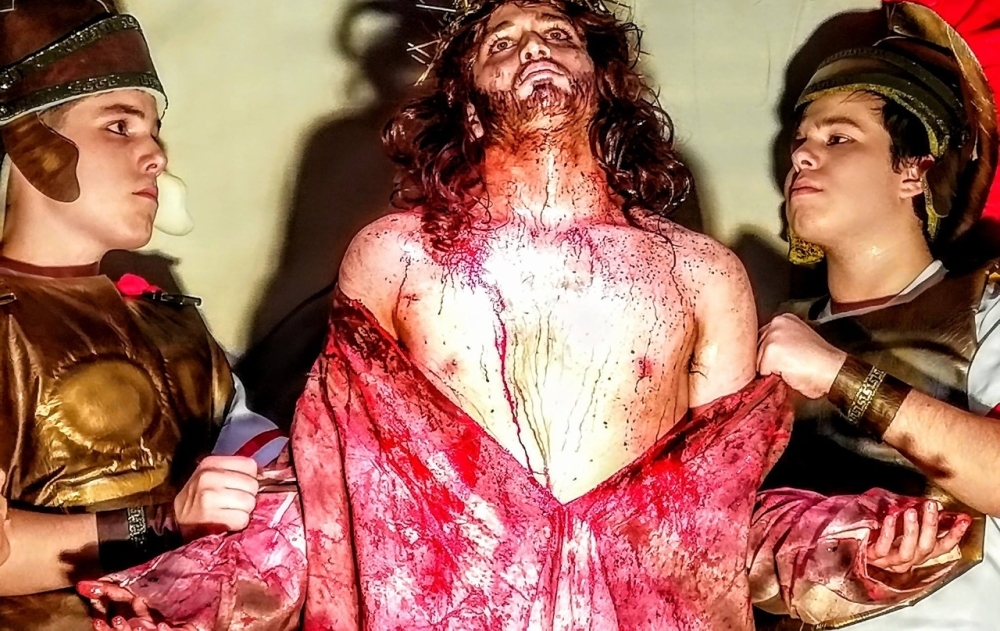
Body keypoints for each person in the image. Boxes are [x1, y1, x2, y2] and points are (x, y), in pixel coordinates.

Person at [81, 1, 969, 629]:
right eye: (501, 41)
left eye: (557, 34)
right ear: (467, 103)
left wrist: (848, 546)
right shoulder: (393, 256)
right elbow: (340, 495)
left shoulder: (703, 275)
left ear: (603, 81)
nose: (534, 46)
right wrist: (206, 587)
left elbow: (715, 523)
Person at [0, 1, 286, 628]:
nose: (156, 155)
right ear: (28, 141)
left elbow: (253, 450)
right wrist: (161, 523)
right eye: (119, 126)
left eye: (154, 131)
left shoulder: (173, 322)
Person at [757, 0, 1000, 628]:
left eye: (838, 138)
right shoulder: (762, 339)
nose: (802, 156)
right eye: (800, 140)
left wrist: (837, 374)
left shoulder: (987, 305)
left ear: (913, 172)